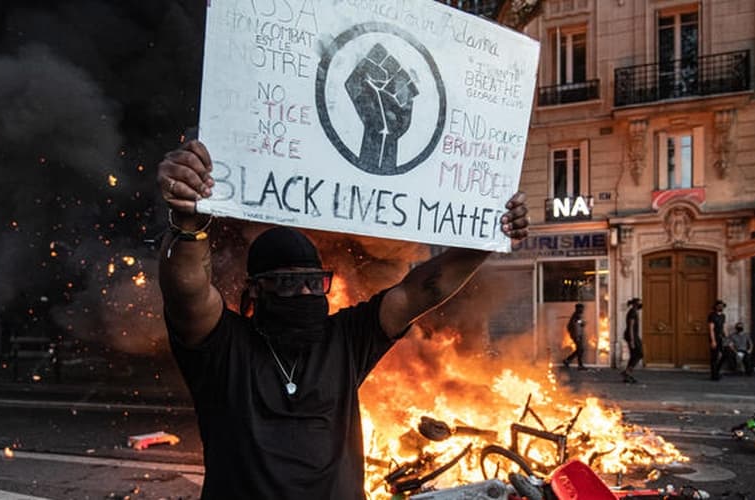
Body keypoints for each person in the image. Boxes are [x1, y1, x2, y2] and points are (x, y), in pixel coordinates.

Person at [156, 140, 530, 499]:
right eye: (287, 283)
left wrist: (488, 238)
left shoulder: (345, 341)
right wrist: (188, 224)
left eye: (314, 283)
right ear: (255, 290)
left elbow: (425, 288)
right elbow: (187, 288)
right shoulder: (224, 347)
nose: (305, 293)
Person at [620, 297, 643, 383]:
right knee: (638, 354)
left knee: (636, 354)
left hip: (634, 336)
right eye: (639, 303)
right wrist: (632, 340)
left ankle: (627, 373)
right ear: (635, 304)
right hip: (632, 336)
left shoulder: (634, 312)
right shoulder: (632, 313)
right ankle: (627, 373)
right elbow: (630, 327)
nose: (640, 305)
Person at [562, 303, 587, 370]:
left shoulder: (577, 316)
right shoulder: (576, 316)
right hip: (576, 336)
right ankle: (579, 365)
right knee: (580, 349)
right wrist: (576, 336)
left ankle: (567, 360)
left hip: (577, 335)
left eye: (582, 308)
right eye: (581, 308)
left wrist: (582, 323)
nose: (582, 310)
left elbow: (578, 324)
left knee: (580, 350)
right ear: (577, 309)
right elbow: (576, 325)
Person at [708, 299, 727, 381]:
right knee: (714, 357)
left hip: (721, 338)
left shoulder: (723, 316)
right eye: (719, 306)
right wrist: (713, 341)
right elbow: (711, 329)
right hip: (714, 337)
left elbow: (724, 327)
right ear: (716, 306)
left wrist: (727, 338)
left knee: (725, 354)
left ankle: (717, 371)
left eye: (722, 306)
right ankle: (714, 375)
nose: (721, 307)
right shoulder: (712, 315)